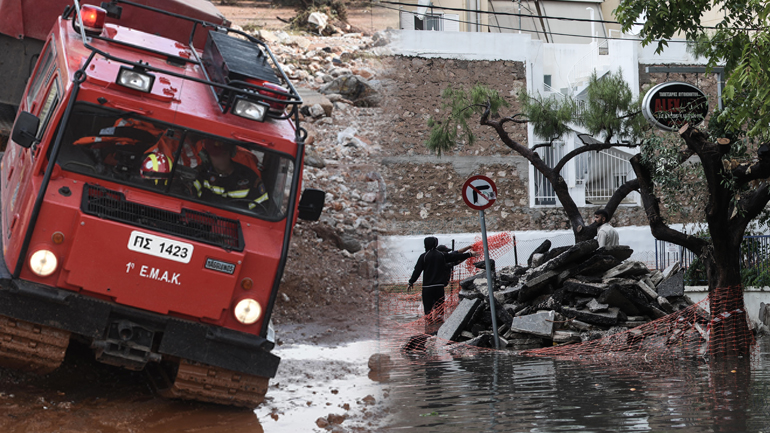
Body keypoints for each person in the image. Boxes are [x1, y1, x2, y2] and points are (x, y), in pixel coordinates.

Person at [192, 139, 269, 210]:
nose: (221, 159)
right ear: (207, 156)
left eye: (224, 154)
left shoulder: (250, 178)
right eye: (216, 155)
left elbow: (261, 211)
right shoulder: (202, 173)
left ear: (231, 153)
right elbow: (190, 198)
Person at [407, 236, 449, 319]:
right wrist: (469, 254)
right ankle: (439, 327)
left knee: (428, 311)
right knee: (439, 310)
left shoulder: (424, 256)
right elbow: (455, 256)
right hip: (439, 287)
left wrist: (411, 282)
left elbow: (417, 271)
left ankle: (429, 328)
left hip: (427, 288)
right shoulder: (441, 255)